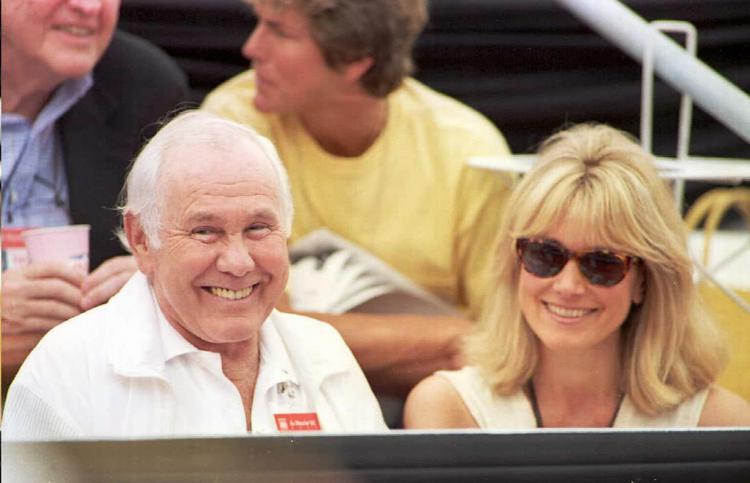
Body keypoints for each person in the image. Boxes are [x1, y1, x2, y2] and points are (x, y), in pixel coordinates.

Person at [2, 111, 387, 439]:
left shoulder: (325, 355)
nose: (238, 262)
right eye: (205, 231)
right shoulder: (68, 369)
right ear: (141, 239)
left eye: (257, 228)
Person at [202, 0, 514, 398]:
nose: (251, 47)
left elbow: (501, 346)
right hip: (275, 398)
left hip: (436, 405)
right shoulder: (232, 124)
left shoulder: (467, 149)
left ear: (354, 59)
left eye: (279, 31)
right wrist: (447, 337)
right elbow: (246, 333)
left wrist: (300, 328)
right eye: (259, 23)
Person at [404, 123, 750, 429]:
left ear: (645, 281)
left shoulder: (720, 423)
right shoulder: (449, 410)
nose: (568, 286)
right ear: (515, 264)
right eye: (545, 255)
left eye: (602, 263)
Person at [1, 0, 189, 389]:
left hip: (91, 398)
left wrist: (158, 279)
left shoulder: (141, 85)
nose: (89, 7)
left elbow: (193, 255)